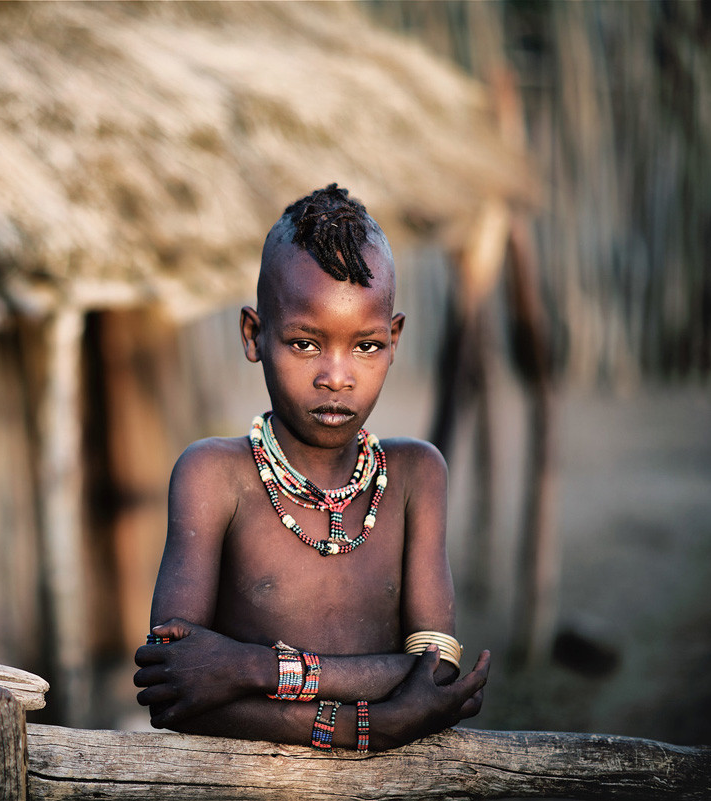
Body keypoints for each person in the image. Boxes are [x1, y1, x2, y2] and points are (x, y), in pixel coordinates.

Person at [133, 185, 490, 751]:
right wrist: (371, 725)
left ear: (394, 339)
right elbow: (174, 684)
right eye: (304, 344)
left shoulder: (415, 476)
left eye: (366, 346)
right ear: (254, 335)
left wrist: (251, 667)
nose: (336, 377)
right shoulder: (215, 477)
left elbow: (436, 672)